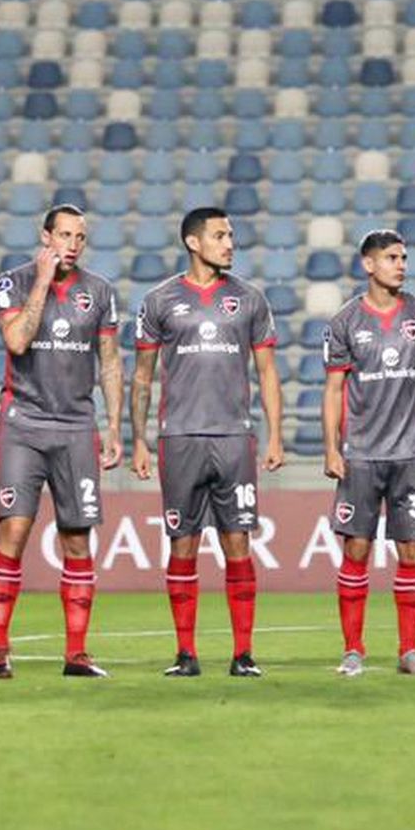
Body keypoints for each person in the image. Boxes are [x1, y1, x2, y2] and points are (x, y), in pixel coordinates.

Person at [131, 207, 284, 677]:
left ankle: (243, 654)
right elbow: (142, 377)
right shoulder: (160, 301)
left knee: (238, 542)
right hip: (179, 439)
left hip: (234, 438)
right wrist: (138, 440)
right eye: (220, 235)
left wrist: (275, 435)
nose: (230, 243)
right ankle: (186, 654)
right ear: (193, 243)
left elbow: (267, 373)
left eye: (231, 235)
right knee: (183, 544)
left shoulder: (251, 300)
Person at [0, 205, 122, 679]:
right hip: (23, 425)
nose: (72, 244)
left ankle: (76, 654)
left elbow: (109, 362)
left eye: (79, 237)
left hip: (77, 427)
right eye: (63, 235)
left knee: (78, 540)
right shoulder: (12, 283)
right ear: (45, 237)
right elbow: (18, 341)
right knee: (14, 534)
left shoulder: (100, 291)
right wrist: (42, 282)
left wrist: (115, 425)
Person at [322, 230, 415, 677]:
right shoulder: (345, 321)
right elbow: (334, 389)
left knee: (413, 550)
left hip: (413, 455)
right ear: (368, 265)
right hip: (361, 454)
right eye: (391, 257)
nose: (401, 264)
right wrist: (331, 448)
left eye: (404, 257)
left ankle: (410, 651)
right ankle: (352, 649)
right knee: (357, 549)